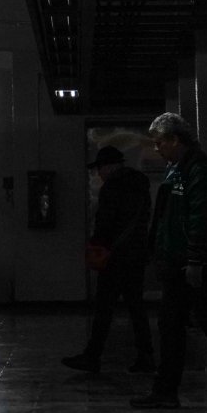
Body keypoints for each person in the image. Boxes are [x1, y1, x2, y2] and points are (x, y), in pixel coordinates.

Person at [130, 112, 207, 411]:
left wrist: (196, 261)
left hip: (195, 265)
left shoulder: (200, 171)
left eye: (160, 142)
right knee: (174, 326)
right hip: (182, 264)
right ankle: (167, 390)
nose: (157, 148)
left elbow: (204, 217)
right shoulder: (180, 170)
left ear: (176, 140)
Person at [62, 145, 155, 374]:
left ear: (110, 166)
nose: (98, 174)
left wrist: (97, 244)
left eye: (100, 169)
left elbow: (106, 222)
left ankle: (92, 357)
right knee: (136, 308)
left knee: (104, 308)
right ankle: (146, 356)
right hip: (136, 255)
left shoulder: (112, 187)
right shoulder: (141, 184)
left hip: (115, 257)